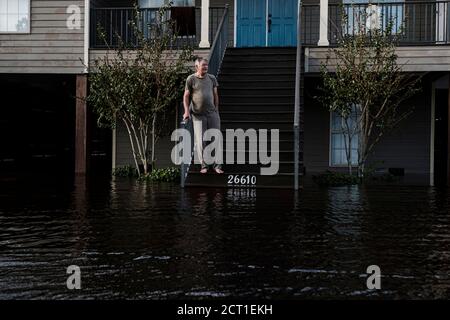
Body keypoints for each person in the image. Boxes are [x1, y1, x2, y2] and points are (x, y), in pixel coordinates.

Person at [183, 58, 224, 174]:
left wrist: (216, 109)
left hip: (212, 113)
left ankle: (217, 166)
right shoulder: (191, 79)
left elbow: (215, 94)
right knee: (201, 141)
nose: (206, 67)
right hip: (198, 115)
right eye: (203, 65)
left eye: (206, 65)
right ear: (197, 67)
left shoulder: (212, 78)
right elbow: (186, 96)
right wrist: (186, 111)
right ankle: (204, 166)